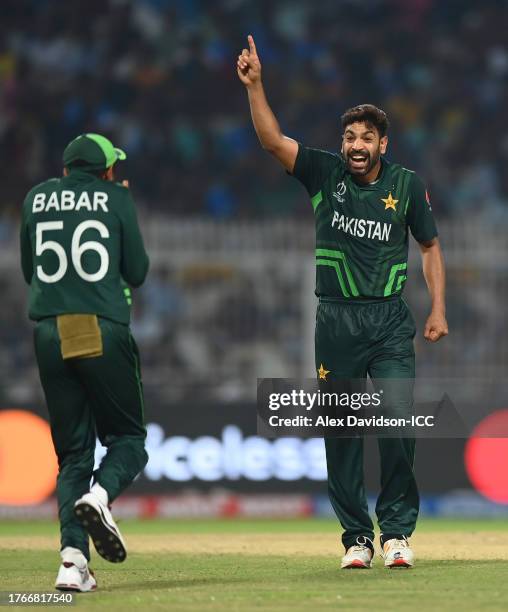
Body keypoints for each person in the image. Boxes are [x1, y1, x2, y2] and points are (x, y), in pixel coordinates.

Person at [237, 36, 448, 569]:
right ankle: (356, 538)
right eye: (349, 135)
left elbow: (430, 246)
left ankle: (397, 534)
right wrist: (256, 85)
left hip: (389, 321)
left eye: (366, 138)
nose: (355, 145)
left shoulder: (407, 184)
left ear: (383, 144)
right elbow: (270, 140)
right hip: (335, 321)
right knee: (343, 434)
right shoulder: (324, 172)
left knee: (398, 424)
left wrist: (438, 307)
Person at [19, 133, 150, 591]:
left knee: (73, 454)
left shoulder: (36, 198)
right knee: (130, 439)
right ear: (108, 170)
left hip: (48, 330)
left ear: (65, 168)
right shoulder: (115, 196)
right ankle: (99, 497)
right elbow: (137, 270)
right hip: (97, 326)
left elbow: (28, 268)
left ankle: (72, 563)